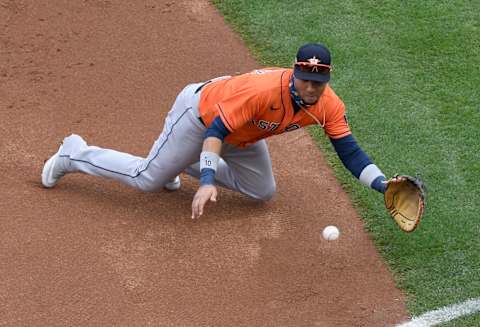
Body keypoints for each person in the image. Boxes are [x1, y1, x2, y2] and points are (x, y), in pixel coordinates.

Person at [42, 43, 387, 219]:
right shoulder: (262, 91)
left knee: (262, 191)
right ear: (295, 73)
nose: (312, 89)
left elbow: (350, 152)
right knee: (147, 179)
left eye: (319, 83)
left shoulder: (329, 105)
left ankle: (180, 163)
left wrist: (382, 184)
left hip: (243, 134)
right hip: (202, 117)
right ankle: (74, 153)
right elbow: (215, 133)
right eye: (307, 81)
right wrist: (207, 182)